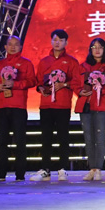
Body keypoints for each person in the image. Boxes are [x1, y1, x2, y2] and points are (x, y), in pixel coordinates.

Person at [32, 29, 80, 182]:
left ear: (66, 42)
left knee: (63, 137)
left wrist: (64, 84)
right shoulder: (44, 61)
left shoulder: (72, 62)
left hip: (63, 105)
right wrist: (40, 88)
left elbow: (76, 81)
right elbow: (38, 81)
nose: (57, 42)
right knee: (46, 138)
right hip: (46, 105)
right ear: (51, 41)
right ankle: (45, 169)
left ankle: (62, 168)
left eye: (60, 40)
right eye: (55, 40)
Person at [0, 35, 36, 181]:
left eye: (16, 44)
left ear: (21, 47)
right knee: (2, 141)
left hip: (18, 106)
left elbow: (32, 81)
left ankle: (20, 174)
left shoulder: (26, 63)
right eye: (10, 44)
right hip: (2, 106)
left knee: (20, 140)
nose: (13, 47)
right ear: (5, 47)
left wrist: (15, 84)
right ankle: (1, 173)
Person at [73, 38, 105, 181]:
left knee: (100, 137)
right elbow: (75, 83)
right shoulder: (83, 66)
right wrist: (80, 91)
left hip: (103, 105)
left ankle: (98, 168)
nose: (97, 50)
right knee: (88, 138)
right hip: (86, 105)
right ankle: (92, 168)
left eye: (100, 47)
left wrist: (101, 88)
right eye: (94, 47)